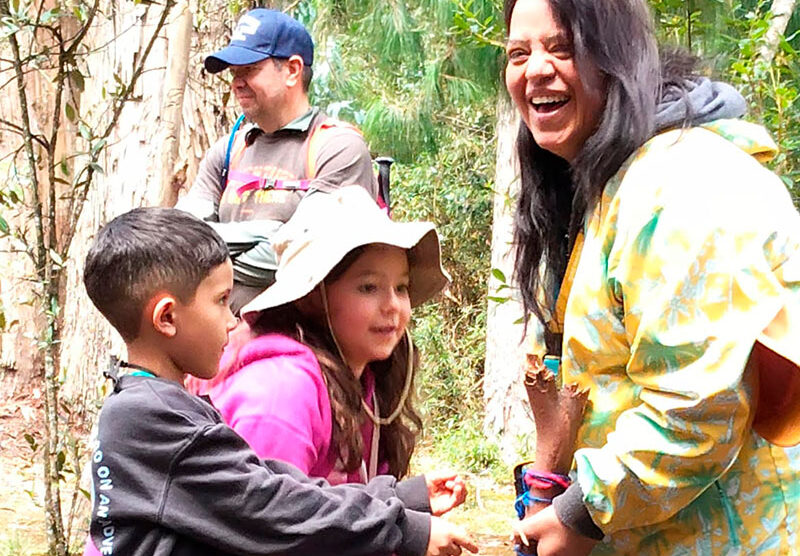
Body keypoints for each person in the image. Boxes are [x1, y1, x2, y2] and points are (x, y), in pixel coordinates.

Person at [502, 0, 800, 554]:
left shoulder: (682, 181)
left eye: (562, 47)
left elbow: (701, 401)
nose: (535, 69)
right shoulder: (617, 181)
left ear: (620, 58)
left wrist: (582, 511)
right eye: (519, 52)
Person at [81, 206, 479, 556]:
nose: (234, 319)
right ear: (167, 318)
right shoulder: (150, 419)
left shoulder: (164, 409)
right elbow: (270, 509)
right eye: (222, 301)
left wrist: (399, 497)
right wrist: (402, 531)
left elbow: (279, 484)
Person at [187, 186, 465, 515]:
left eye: (401, 287)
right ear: (312, 295)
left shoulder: (364, 381)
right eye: (369, 287)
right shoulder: (283, 391)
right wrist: (408, 534)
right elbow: (267, 526)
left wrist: (409, 504)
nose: (393, 306)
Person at [177, 8, 379, 313]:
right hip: (224, 347)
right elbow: (177, 238)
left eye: (250, 69)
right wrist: (271, 232)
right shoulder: (229, 150)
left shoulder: (337, 148)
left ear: (293, 70)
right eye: (234, 73)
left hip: (304, 350)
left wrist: (206, 266)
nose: (237, 83)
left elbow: (301, 257)